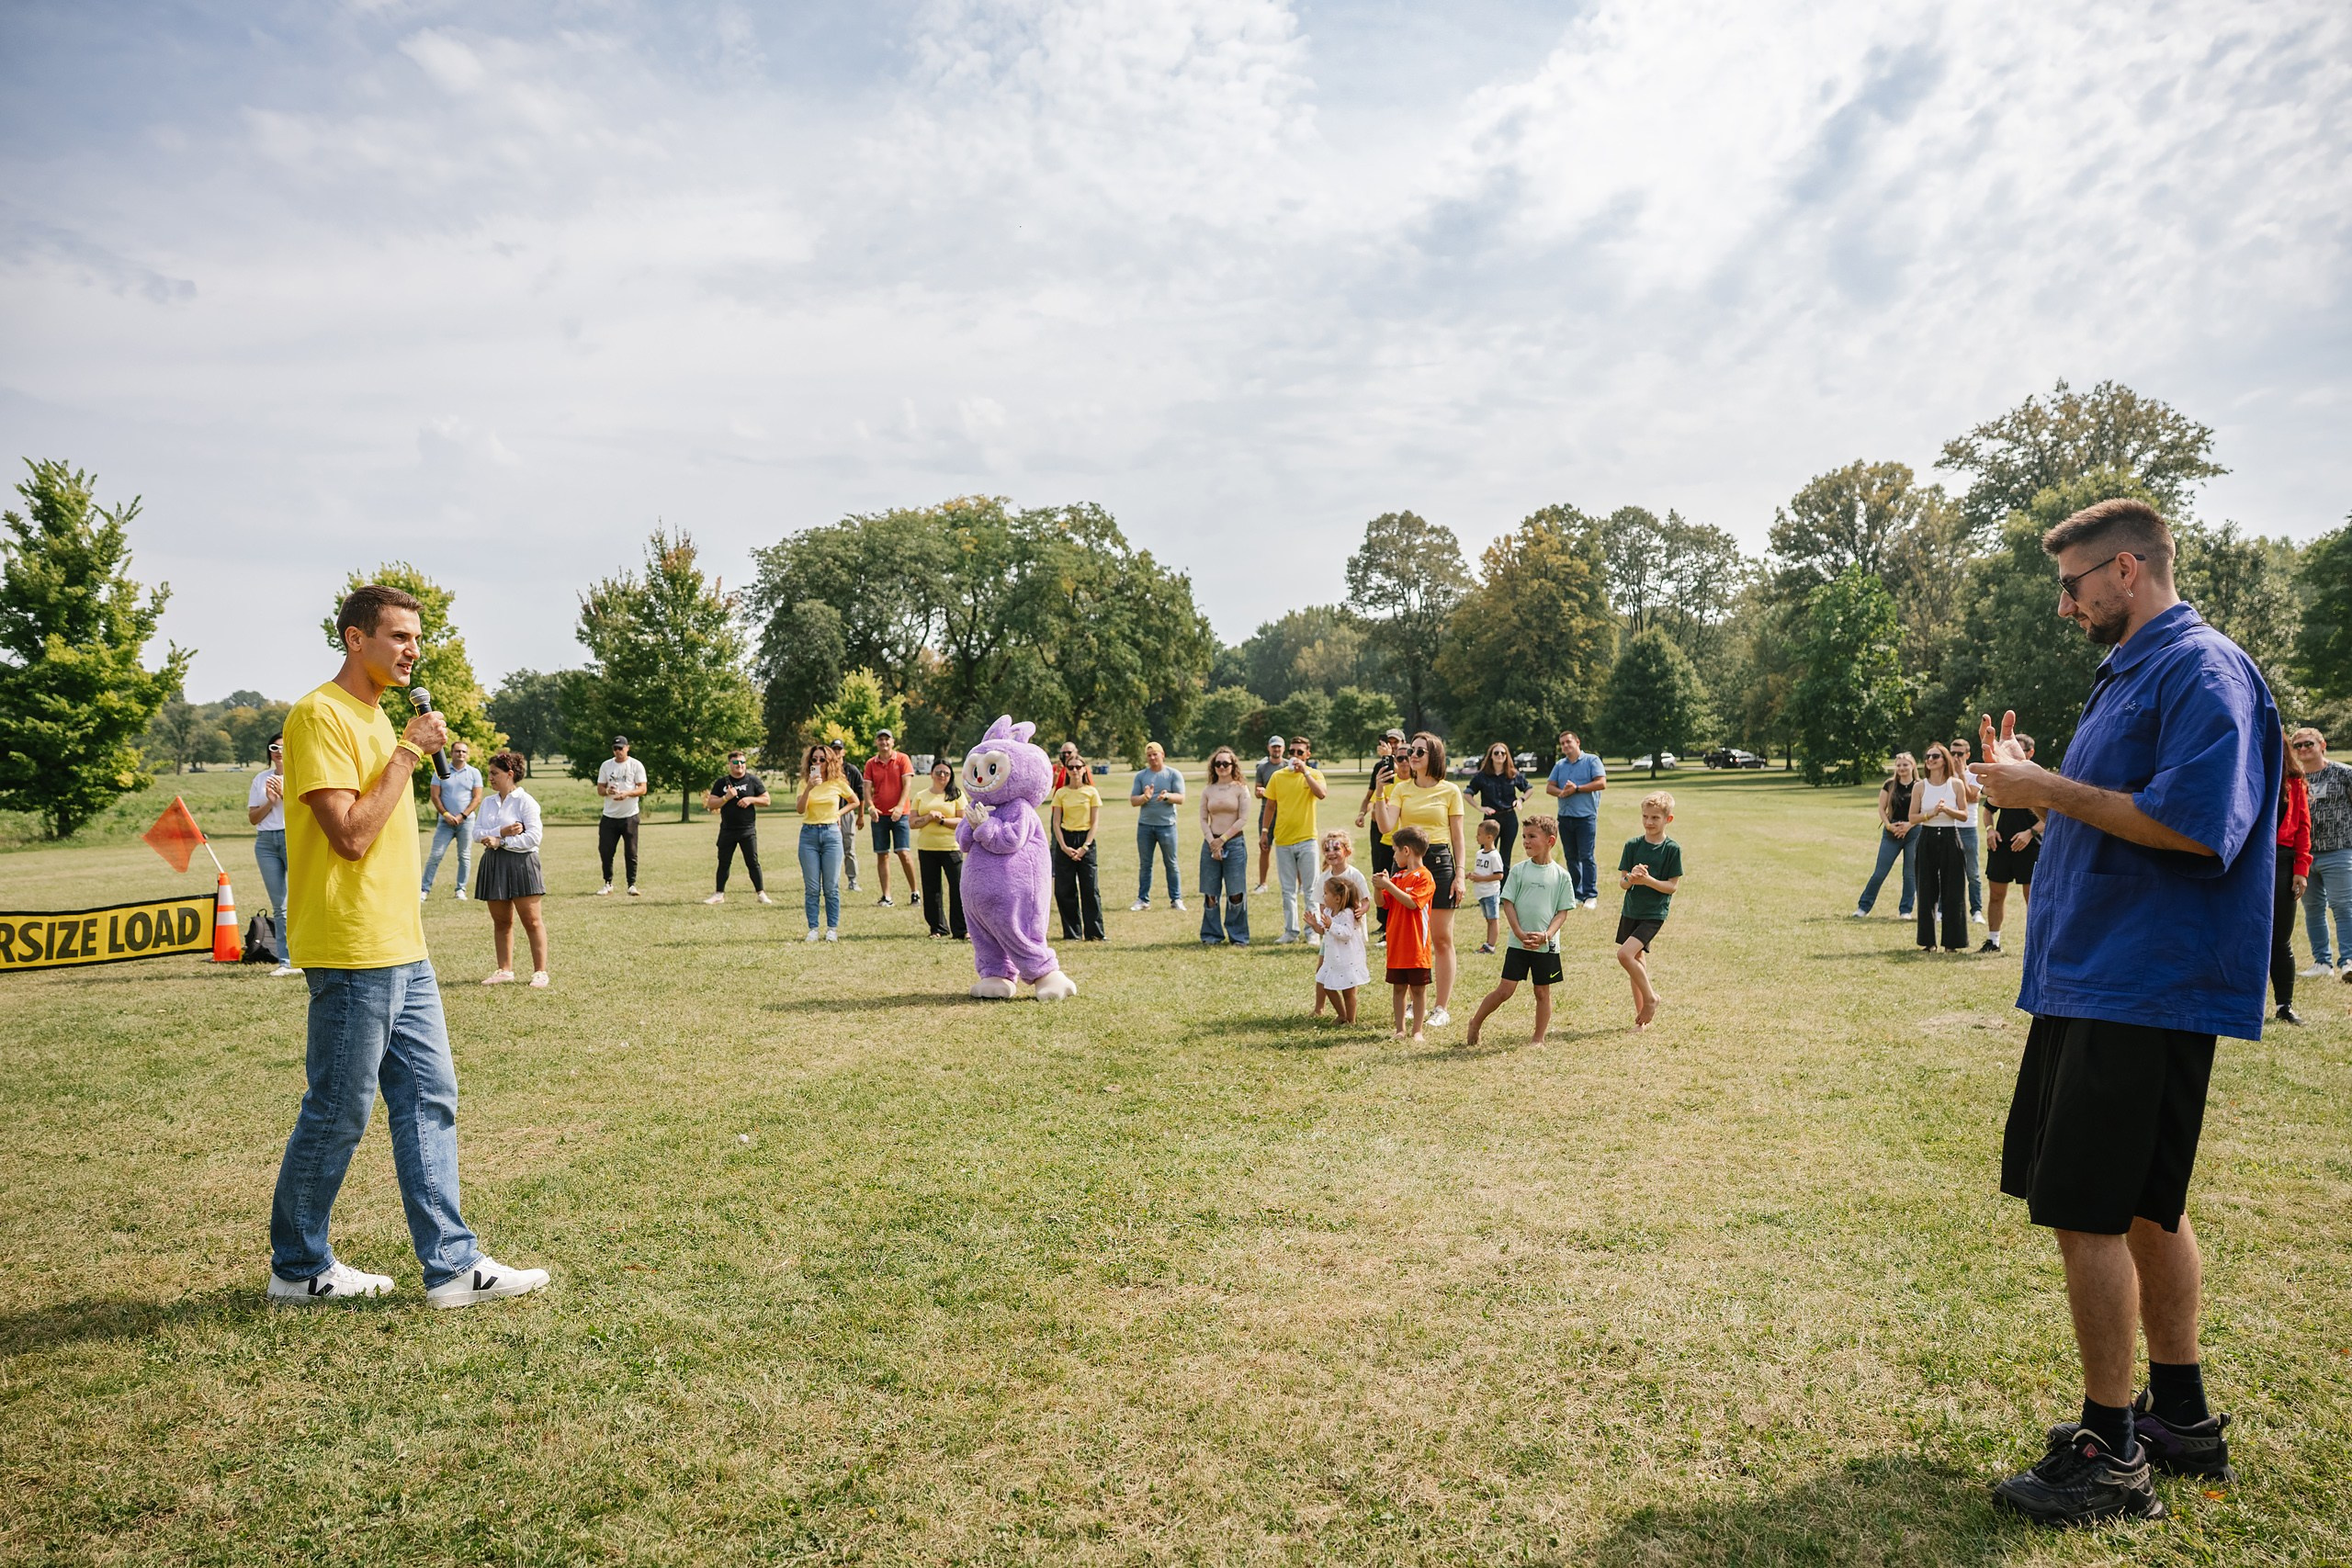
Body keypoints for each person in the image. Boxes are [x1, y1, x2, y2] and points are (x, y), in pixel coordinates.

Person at [1973, 497, 2276, 1526]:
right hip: (2098, 974)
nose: (2065, 607)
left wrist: (2047, 788)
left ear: (2127, 572)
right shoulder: (2134, 672)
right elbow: (2105, 812)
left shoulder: (2199, 671)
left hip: (2139, 981)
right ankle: (2176, 1417)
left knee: (2087, 1206)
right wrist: (2028, 796)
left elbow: (2196, 831)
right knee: (2146, 1201)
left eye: (2072, 585)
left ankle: (2110, 1452)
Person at [270, 582, 548, 1309]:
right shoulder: (319, 716)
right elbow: (350, 835)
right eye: (397, 636)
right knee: (338, 1107)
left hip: (404, 944)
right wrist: (403, 752)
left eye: (415, 639)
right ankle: (298, 1267)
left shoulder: (384, 717)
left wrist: (405, 747)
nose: (411, 649)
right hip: (351, 945)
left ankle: (453, 1267)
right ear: (354, 638)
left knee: (430, 1097)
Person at [1374, 733, 1466, 1028]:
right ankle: (1416, 1001)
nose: (1412, 755)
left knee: (1441, 938)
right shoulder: (1401, 789)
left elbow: (1458, 838)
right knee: (1413, 938)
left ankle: (1441, 1007)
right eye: (1411, 750)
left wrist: (1460, 875)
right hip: (1404, 863)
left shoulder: (1450, 790)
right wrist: (1379, 792)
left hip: (1439, 864)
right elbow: (1386, 825)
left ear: (1433, 757)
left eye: (1419, 751)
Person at [1464, 816, 1574, 1048]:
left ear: (1550, 840)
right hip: (1518, 943)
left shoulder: (1562, 876)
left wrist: (1547, 935)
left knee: (1542, 992)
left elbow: (1562, 912)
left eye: (1532, 837)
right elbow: (1508, 903)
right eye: (1524, 837)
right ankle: (1475, 1022)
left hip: (1546, 945)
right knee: (1505, 991)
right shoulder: (1518, 870)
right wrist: (1519, 932)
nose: (1525, 841)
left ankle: (1538, 1038)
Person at [471, 750, 548, 987]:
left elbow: (534, 837)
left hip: (522, 863)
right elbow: (477, 833)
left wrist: (501, 841)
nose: (490, 778)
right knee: (502, 921)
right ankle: (504, 970)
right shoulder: (487, 802)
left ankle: (540, 972)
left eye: (494, 773)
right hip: (494, 863)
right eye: (489, 774)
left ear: (510, 774)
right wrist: (502, 832)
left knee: (532, 921)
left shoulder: (526, 802)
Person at [1615, 791, 1683, 1031]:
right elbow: (1623, 883)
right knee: (1636, 960)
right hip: (1631, 910)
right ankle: (1641, 1020)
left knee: (1624, 955)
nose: (1648, 822)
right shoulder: (1632, 845)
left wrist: (1648, 880)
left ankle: (1651, 998)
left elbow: (1672, 887)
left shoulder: (1672, 849)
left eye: (1655, 818)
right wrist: (1632, 879)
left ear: (1668, 819)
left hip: (1653, 914)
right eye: (1645, 816)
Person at [2290, 728, 2352, 976]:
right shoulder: (2295, 779)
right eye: (2298, 746)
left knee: (2343, 906)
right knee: (2313, 908)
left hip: (2339, 850)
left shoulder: (2344, 773)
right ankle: (2322, 963)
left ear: (2322, 744)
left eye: (2308, 744)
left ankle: (2348, 961)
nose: (2304, 749)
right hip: (2305, 855)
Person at [1979, 736, 2045, 954]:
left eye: (2020, 749)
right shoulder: (2005, 779)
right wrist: (1990, 830)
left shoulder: (2040, 780)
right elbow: (1988, 809)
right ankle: (1993, 941)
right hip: (2002, 845)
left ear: (2031, 752)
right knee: (1996, 894)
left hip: (2030, 845)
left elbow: (2051, 816)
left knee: (2032, 898)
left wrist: (2030, 833)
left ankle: (2035, 946)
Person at [1262, 736, 1329, 943]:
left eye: (1300, 752)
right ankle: (1291, 931)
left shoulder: (1315, 774)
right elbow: (1270, 806)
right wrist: (1265, 831)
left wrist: (1305, 773)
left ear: (1308, 754)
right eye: (1292, 752)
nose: (1295, 756)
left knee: (1311, 889)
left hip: (1307, 839)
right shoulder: (1277, 776)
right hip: (1283, 840)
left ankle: (1312, 932)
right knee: (1288, 889)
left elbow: (1321, 794)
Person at [1374, 825, 1436, 1042]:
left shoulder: (1424, 877)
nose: (1393, 855)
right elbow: (1382, 903)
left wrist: (1389, 886)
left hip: (1417, 948)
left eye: (1395, 850)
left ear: (1406, 851)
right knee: (1398, 988)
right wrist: (1378, 887)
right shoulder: (1398, 877)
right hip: (1397, 946)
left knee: (1418, 990)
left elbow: (1412, 904)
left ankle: (1417, 1030)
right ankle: (1400, 1029)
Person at [1910, 743, 1972, 953]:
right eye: (1928, 756)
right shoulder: (1920, 787)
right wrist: (1932, 814)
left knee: (1953, 890)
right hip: (1927, 837)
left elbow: (1964, 814)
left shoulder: (1956, 785)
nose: (1930, 759)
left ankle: (1952, 944)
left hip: (1950, 837)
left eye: (1935, 756)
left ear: (1944, 759)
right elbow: (1912, 817)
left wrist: (1947, 810)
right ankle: (1928, 942)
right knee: (1926, 890)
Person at [795, 742, 858, 941]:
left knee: (831, 887)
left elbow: (854, 801)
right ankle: (813, 929)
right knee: (812, 888)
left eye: (822, 759)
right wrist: (809, 788)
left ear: (829, 761)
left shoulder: (837, 781)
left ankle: (832, 929)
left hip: (831, 834)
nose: (818, 762)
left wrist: (838, 813)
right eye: (814, 759)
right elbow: (800, 809)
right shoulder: (805, 781)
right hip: (809, 836)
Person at [247, 734, 298, 976]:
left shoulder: (300, 775)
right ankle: (286, 962)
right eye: (273, 747)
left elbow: (305, 811)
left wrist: (286, 795)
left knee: (301, 901)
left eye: (283, 747)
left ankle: (306, 958)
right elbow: (253, 818)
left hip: (293, 838)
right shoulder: (260, 779)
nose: (278, 751)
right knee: (280, 905)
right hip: (266, 842)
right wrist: (271, 801)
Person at [1851, 751, 1919, 919]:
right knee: (1880, 872)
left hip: (1914, 831)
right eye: (1899, 765)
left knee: (1910, 874)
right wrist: (1889, 826)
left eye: (1905, 765)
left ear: (1913, 766)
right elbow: (1881, 808)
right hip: (1891, 832)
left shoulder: (1920, 785)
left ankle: (1905, 910)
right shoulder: (1889, 784)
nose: (1902, 768)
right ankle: (1863, 907)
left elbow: (1924, 810)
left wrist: (1909, 826)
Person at [1196, 747, 1253, 945]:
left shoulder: (1240, 789)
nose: (1221, 767)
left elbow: (1243, 819)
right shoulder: (1208, 790)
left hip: (1234, 843)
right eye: (1217, 763)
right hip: (1210, 843)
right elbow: (1203, 819)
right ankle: (1211, 935)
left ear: (1233, 765)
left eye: (1225, 763)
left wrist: (1223, 840)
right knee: (1210, 892)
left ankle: (1238, 936)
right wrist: (1212, 841)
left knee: (1236, 892)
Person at [2271, 746, 2311, 1025]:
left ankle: (2284, 1005)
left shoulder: (2294, 781)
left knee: (2280, 939)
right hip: (2247, 862)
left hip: (2282, 862)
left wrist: (2301, 868)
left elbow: (2303, 827)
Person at [702, 750, 773, 906]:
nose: (739, 765)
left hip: (747, 830)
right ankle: (719, 894)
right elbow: (711, 804)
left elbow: (767, 800)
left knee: (753, 862)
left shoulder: (753, 780)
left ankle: (761, 893)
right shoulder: (722, 783)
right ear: (730, 764)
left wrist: (750, 799)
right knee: (724, 862)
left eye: (742, 762)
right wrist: (726, 798)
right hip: (727, 830)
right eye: (735, 763)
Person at [1546, 730, 1607, 908]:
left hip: (1585, 817)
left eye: (1568, 742)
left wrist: (1577, 789)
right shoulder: (1560, 765)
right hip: (1565, 818)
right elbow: (1550, 787)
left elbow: (1601, 783)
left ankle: (1590, 894)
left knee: (1586, 856)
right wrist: (1562, 793)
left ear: (1577, 742)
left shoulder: (1591, 761)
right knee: (1571, 857)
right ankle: (1577, 893)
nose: (1565, 746)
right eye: (1562, 743)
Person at [419, 739, 483, 902]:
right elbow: (435, 796)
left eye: (463, 752)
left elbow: (477, 798)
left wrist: (463, 816)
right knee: (435, 855)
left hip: (466, 822)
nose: (461, 754)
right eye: (457, 751)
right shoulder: (440, 771)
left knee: (464, 856)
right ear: (451, 753)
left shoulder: (474, 773)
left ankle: (460, 889)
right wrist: (446, 814)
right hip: (445, 822)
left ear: (467, 754)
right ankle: (424, 890)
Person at [1356, 728, 1406, 940]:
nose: (1392, 745)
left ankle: (1392, 925)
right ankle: (1383, 922)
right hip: (1380, 828)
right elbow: (1370, 794)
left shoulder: (1405, 765)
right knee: (1380, 870)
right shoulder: (1380, 766)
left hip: (1398, 829)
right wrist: (1362, 812)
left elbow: (1401, 775)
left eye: (1396, 742)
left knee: (1396, 876)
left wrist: (1390, 758)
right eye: (1389, 742)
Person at [910, 760, 967, 939]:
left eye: (946, 773)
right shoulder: (921, 795)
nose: (942, 775)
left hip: (951, 848)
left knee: (958, 889)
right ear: (931, 774)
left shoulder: (957, 795)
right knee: (931, 890)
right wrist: (928, 817)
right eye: (938, 772)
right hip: (927, 848)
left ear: (950, 776)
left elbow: (963, 822)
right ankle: (937, 928)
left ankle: (961, 930)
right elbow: (912, 822)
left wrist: (941, 820)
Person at [1050, 753, 1105, 941]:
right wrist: (1064, 847)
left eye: (1078, 767)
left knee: (1090, 888)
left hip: (1085, 840)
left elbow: (1095, 822)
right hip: (1065, 839)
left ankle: (1094, 933)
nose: (1074, 770)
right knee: (1064, 890)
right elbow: (1056, 822)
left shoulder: (1091, 792)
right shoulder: (1061, 793)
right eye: (1071, 767)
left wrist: (1085, 846)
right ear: (1066, 770)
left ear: (1084, 769)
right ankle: (1072, 933)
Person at [864, 729, 919, 908]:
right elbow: (866, 789)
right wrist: (870, 807)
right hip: (879, 815)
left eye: (887, 739)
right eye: (880, 739)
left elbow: (907, 785)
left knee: (903, 852)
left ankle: (915, 893)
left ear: (893, 742)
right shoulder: (871, 763)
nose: (884, 742)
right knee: (882, 855)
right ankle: (887, 896)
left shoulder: (902, 759)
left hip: (900, 815)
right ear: (876, 742)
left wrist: (899, 807)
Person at [1129, 740, 1186, 911]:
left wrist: (1167, 796)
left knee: (1171, 863)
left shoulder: (1173, 774)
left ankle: (1176, 899)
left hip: (1167, 826)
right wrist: (1145, 798)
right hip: (1145, 826)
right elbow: (1133, 800)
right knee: (1145, 864)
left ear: (1163, 755)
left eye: (1155, 754)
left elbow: (1181, 798)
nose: (1152, 758)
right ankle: (1143, 900)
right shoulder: (1141, 776)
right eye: (1149, 755)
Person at [1307, 877, 1368, 1022]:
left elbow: (1347, 934)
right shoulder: (1328, 911)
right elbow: (1323, 931)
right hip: (1332, 959)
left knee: (1348, 992)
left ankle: (1351, 1019)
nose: (1323, 897)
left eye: (1326, 893)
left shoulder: (1347, 913)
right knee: (1326, 986)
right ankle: (1341, 1014)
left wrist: (1331, 926)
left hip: (1346, 959)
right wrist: (1314, 925)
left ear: (1337, 898)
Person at [594, 735, 646, 897]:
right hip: (609, 816)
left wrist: (628, 794)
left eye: (621, 748)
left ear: (627, 748)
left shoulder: (635, 765)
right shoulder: (606, 765)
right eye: (615, 749)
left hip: (630, 816)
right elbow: (600, 789)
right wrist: (607, 791)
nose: (618, 751)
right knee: (606, 851)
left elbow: (643, 788)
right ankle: (608, 883)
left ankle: (632, 884)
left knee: (631, 852)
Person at [1466, 743, 1531, 870]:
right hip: (1490, 820)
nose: (1500, 755)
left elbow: (1529, 789)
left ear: (1507, 756)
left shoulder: (1512, 774)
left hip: (1509, 818)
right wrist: (1480, 808)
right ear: (1491, 756)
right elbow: (1467, 794)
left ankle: (1503, 888)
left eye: (1503, 753)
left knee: (1505, 858)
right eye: (1496, 753)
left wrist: (1520, 800)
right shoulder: (1482, 776)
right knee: (1486, 854)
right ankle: (1486, 885)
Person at [1952, 735, 1987, 923]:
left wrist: (1960, 775)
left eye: (1959, 753)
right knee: (1947, 872)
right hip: (1949, 827)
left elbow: (1972, 797)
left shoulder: (1974, 773)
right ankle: (1943, 910)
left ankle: (1976, 911)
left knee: (1972, 873)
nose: (1955, 757)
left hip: (1968, 829)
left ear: (1967, 754)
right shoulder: (1944, 774)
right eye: (1952, 753)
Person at [826, 738, 865, 892]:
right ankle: (831, 881)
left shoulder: (851, 770)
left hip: (846, 813)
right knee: (830, 848)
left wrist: (861, 815)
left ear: (843, 751)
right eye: (833, 749)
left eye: (838, 749)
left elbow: (860, 794)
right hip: (828, 814)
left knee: (849, 847)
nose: (836, 752)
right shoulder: (825, 769)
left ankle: (852, 880)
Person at [1252, 734, 1286, 894]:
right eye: (1274, 746)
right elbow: (1257, 792)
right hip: (1267, 813)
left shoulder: (1288, 766)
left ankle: (1300, 885)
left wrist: (1271, 792)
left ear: (1283, 749)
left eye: (1279, 746)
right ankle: (1263, 884)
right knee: (1265, 848)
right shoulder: (1262, 768)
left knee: (1291, 848)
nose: (1276, 749)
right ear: (1269, 748)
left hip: (1286, 813)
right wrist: (1261, 792)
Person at [1469, 818, 1506, 953]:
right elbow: (1481, 871)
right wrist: (1472, 875)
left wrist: (1480, 878)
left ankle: (1491, 945)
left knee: (1493, 919)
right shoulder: (1479, 853)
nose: (1476, 836)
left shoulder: (1494, 856)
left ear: (1489, 837)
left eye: (1479, 834)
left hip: (1491, 892)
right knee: (1488, 919)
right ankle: (1488, 943)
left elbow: (1499, 875)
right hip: (1481, 892)